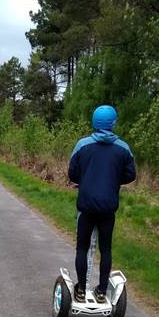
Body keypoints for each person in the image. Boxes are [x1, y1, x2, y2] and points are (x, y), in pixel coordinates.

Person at [68, 105, 136, 304]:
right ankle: (101, 291)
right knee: (106, 249)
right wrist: (114, 180)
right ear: (113, 123)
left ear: (94, 121)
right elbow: (130, 175)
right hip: (108, 207)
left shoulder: (82, 145)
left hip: (86, 205)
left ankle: (80, 289)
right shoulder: (123, 148)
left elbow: (73, 173)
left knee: (82, 247)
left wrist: (86, 179)